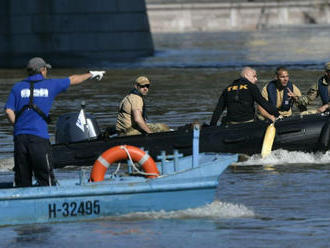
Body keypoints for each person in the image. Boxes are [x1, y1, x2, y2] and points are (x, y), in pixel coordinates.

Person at [4, 57, 106, 187]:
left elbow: (8, 111)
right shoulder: (50, 85)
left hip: (20, 138)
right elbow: (73, 79)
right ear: (42, 70)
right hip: (39, 139)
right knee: (45, 178)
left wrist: (18, 127)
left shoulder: (17, 87)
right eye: (46, 69)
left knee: (22, 179)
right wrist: (91, 74)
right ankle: (48, 203)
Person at [210, 67, 280, 126]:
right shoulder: (251, 87)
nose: (256, 79)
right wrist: (278, 115)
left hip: (231, 123)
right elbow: (263, 103)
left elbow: (218, 110)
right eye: (254, 76)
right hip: (248, 123)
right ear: (246, 76)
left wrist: (212, 126)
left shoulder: (227, 88)